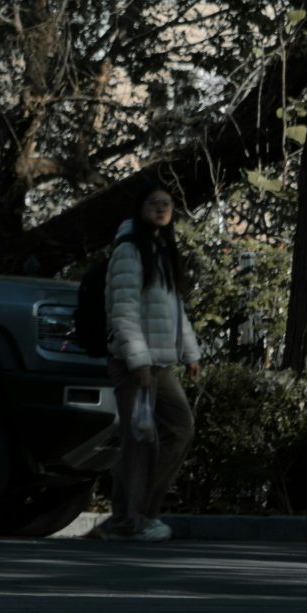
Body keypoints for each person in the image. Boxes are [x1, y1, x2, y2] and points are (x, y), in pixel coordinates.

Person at [102, 182, 200, 543]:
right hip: (135, 364)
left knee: (180, 429)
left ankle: (141, 512)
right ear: (139, 207)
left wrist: (191, 354)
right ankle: (128, 520)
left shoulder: (162, 250)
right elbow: (123, 310)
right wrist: (137, 360)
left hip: (162, 363)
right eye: (153, 202)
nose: (161, 208)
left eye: (167, 203)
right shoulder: (130, 250)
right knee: (138, 442)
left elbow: (174, 310)